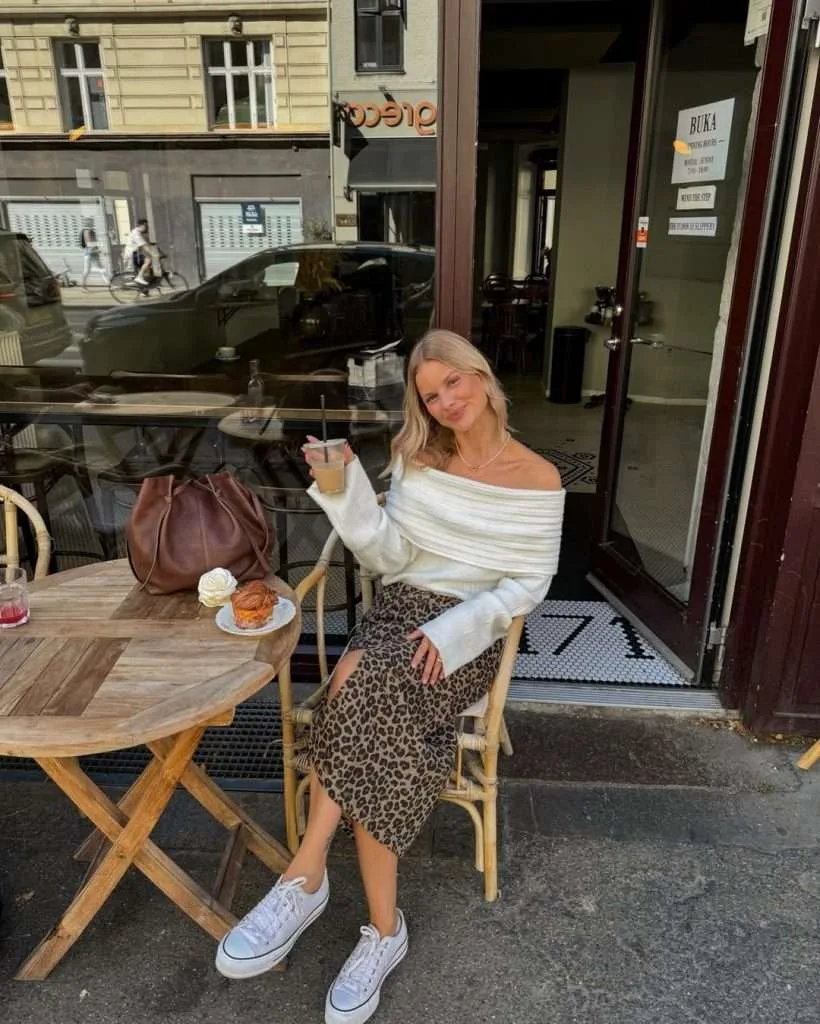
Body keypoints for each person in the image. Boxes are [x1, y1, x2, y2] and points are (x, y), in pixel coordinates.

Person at [215, 329, 565, 1024]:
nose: (444, 403)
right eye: (430, 395)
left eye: (453, 384)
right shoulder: (420, 458)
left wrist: (454, 630)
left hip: (468, 632)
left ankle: (305, 874)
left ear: (482, 376)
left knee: (354, 684)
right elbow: (389, 557)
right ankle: (381, 931)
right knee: (379, 711)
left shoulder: (539, 479)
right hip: (400, 609)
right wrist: (340, 491)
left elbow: (525, 587)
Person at [79, 219, 109, 288]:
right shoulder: (87, 231)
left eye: (92, 222)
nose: (92, 224)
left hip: (94, 253)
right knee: (87, 270)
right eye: (91, 222)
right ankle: (83, 285)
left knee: (102, 268)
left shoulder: (92, 231)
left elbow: (94, 243)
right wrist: (99, 247)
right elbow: (89, 244)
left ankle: (108, 283)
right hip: (89, 253)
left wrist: (99, 249)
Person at [124, 217, 153, 285]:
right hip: (132, 254)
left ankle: (143, 291)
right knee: (148, 261)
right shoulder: (136, 234)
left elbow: (145, 243)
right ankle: (139, 277)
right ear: (143, 225)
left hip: (133, 254)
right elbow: (144, 246)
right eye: (146, 226)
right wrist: (154, 254)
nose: (147, 228)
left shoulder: (137, 232)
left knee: (145, 269)